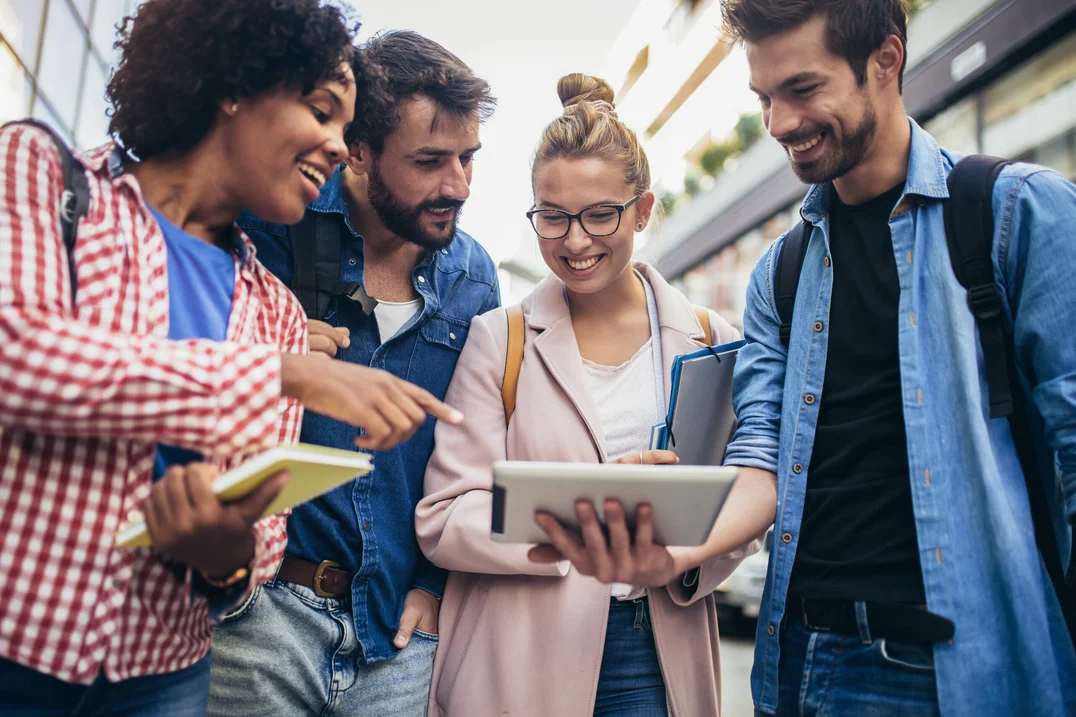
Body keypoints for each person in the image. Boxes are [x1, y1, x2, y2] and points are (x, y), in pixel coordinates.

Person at [0, 2, 460, 715]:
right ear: (234, 83)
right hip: (17, 644)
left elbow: (258, 554)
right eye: (321, 111)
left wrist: (225, 550)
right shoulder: (46, 178)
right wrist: (284, 374)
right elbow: (19, 358)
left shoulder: (273, 309)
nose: (340, 148)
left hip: (163, 674)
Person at [717, 0, 1076, 715]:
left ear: (886, 60)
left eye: (803, 89)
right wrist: (666, 540)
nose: (780, 123)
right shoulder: (778, 274)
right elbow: (756, 451)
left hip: (953, 677)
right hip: (795, 670)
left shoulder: (1018, 215)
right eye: (764, 97)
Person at [415, 74, 773, 717]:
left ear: (643, 209)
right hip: (518, 654)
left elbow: (741, 514)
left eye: (599, 214)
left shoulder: (710, 340)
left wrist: (680, 560)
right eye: (552, 217)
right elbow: (445, 516)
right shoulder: (501, 340)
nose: (575, 241)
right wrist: (592, 505)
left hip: (656, 653)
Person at [208, 30, 499, 717]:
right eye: (430, 161)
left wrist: (433, 586)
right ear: (358, 151)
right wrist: (268, 356)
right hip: (260, 618)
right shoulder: (271, 224)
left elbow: (469, 457)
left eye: (468, 157)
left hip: (396, 636)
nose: (456, 185)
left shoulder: (473, 276)